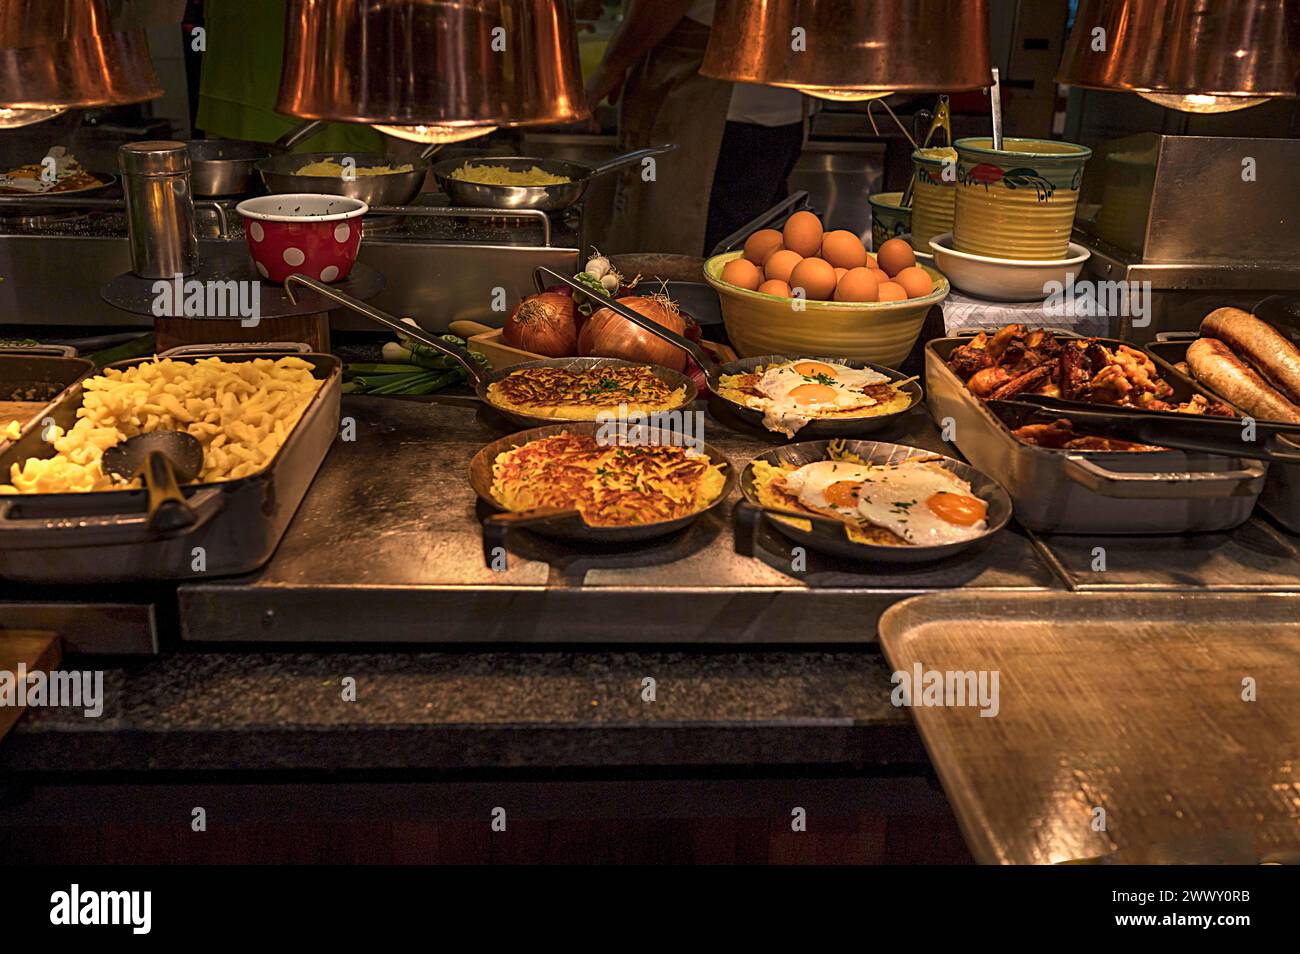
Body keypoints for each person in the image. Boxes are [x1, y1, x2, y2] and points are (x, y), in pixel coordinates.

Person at [586, 0, 809, 257]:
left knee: (694, 265)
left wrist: (609, 68)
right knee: (746, 263)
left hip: (720, 112)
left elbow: (662, 6)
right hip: (773, 108)